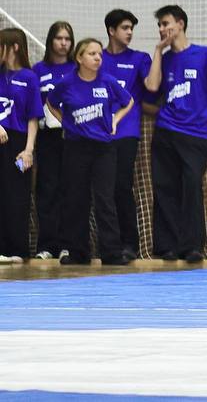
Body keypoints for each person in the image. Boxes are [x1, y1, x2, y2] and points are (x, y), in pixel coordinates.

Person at [144, 5, 207, 264]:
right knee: (165, 188)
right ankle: (166, 247)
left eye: (166, 23)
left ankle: (192, 247)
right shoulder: (165, 58)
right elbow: (151, 86)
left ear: (180, 23)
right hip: (165, 131)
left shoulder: (205, 55)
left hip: (195, 135)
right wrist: (159, 50)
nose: (162, 29)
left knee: (192, 187)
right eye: (159, 25)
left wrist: (206, 118)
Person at [47, 38, 132, 266]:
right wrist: (65, 121)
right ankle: (78, 252)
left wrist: (115, 120)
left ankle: (112, 252)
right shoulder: (67, 83)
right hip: (76, 148)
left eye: (99, 54)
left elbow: (128, 101)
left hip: (104, 148)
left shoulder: (107, 81)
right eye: (92, 54)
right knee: (76, 199)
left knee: (105, 199)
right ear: (79, 58)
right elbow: (51, 102)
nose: (97, 58)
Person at [100, 9, 152, 262]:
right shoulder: (97, 58)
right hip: (97, 134)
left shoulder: (140, 59)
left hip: (126, 132)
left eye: (132, 28)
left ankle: (130, 244)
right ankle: (108, 244)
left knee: (122, 186)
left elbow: (153, 87)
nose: (130, 32)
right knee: (102, 190)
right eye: (124, 28)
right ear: (111, 30)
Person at [32, 21, 74, 261]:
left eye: (67, 38)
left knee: (70, 190)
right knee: (47, 189)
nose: (63, 43)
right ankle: (46, 245)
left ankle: (68, 244)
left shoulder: (76, 69)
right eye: (59, 38)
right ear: (50, 41)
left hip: (72, 137)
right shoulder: (38, 69)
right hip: (47, 137)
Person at [0, 29, 40, 264]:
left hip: (17, 141)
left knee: (17, 195)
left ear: (14, 47)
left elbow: (33, 117)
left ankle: (17, 249)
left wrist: (28, 149)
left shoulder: (29, 77)